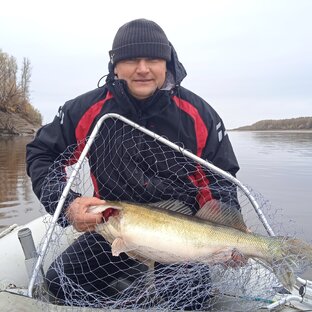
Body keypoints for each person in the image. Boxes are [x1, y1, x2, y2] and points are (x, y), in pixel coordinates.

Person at [26, 19, 240, 309]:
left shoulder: (199, 114)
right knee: (60, 282)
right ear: (115, 65)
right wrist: (68, 205)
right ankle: (130, 290)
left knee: (191, 302)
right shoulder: (87, 109)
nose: (142, 68)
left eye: (152, 58)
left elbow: (223, 178)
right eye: (130, 59)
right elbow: (41, 154)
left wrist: (233, 228)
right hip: (113, 223)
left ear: (168, 63)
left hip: (182, 235)